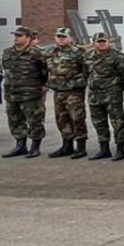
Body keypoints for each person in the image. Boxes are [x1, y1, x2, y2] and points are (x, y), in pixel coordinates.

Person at [1, 26, 48, 158]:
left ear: (28, 38)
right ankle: (20, 145)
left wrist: (43, 85)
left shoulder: (38, 53)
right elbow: (7, 70)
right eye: (15, 35)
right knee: (15, 121)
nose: (16, 38)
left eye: (19, 36)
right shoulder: (7, 52)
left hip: (31, 94)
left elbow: (45, 71)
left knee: (35, 121)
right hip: (12, 93)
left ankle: (35, 147)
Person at [85, 31, 124, 161]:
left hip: (112, 95)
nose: (102, 44)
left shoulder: (118, 56)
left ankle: (120, 149)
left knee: (117, 123)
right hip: (94, 96)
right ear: (93, 43)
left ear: (108, 42)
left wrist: (116, 88)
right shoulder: (88, 56)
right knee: (99, 123)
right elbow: (86, 73)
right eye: (99, 42)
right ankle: (104, 148)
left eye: (104, 41)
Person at [46, 28, 90, 159]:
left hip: (74, 92)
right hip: (58, 91)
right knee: (62, 119)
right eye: (58, 36)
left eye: (64, 37)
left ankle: (81, 147)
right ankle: (67, 146)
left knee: (77, 119)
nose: (61, 39)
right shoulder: (51, 52)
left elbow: (86, 71)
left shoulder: (79, 53)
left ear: (70, 38)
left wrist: (77, 82)